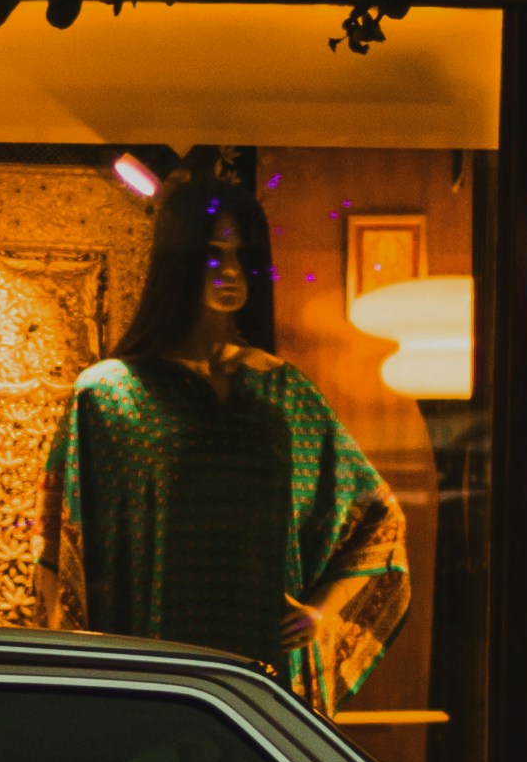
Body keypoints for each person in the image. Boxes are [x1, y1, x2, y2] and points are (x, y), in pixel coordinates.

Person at [49, 154, 409, 707]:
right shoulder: (109, 397)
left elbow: (379, 518)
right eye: (213, 256)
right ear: (179, 264)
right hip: (157, 679)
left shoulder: (285, 394)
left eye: (243, 257)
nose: (231, 273)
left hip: (267, 679)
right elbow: (72, 554)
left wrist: (322, 612)